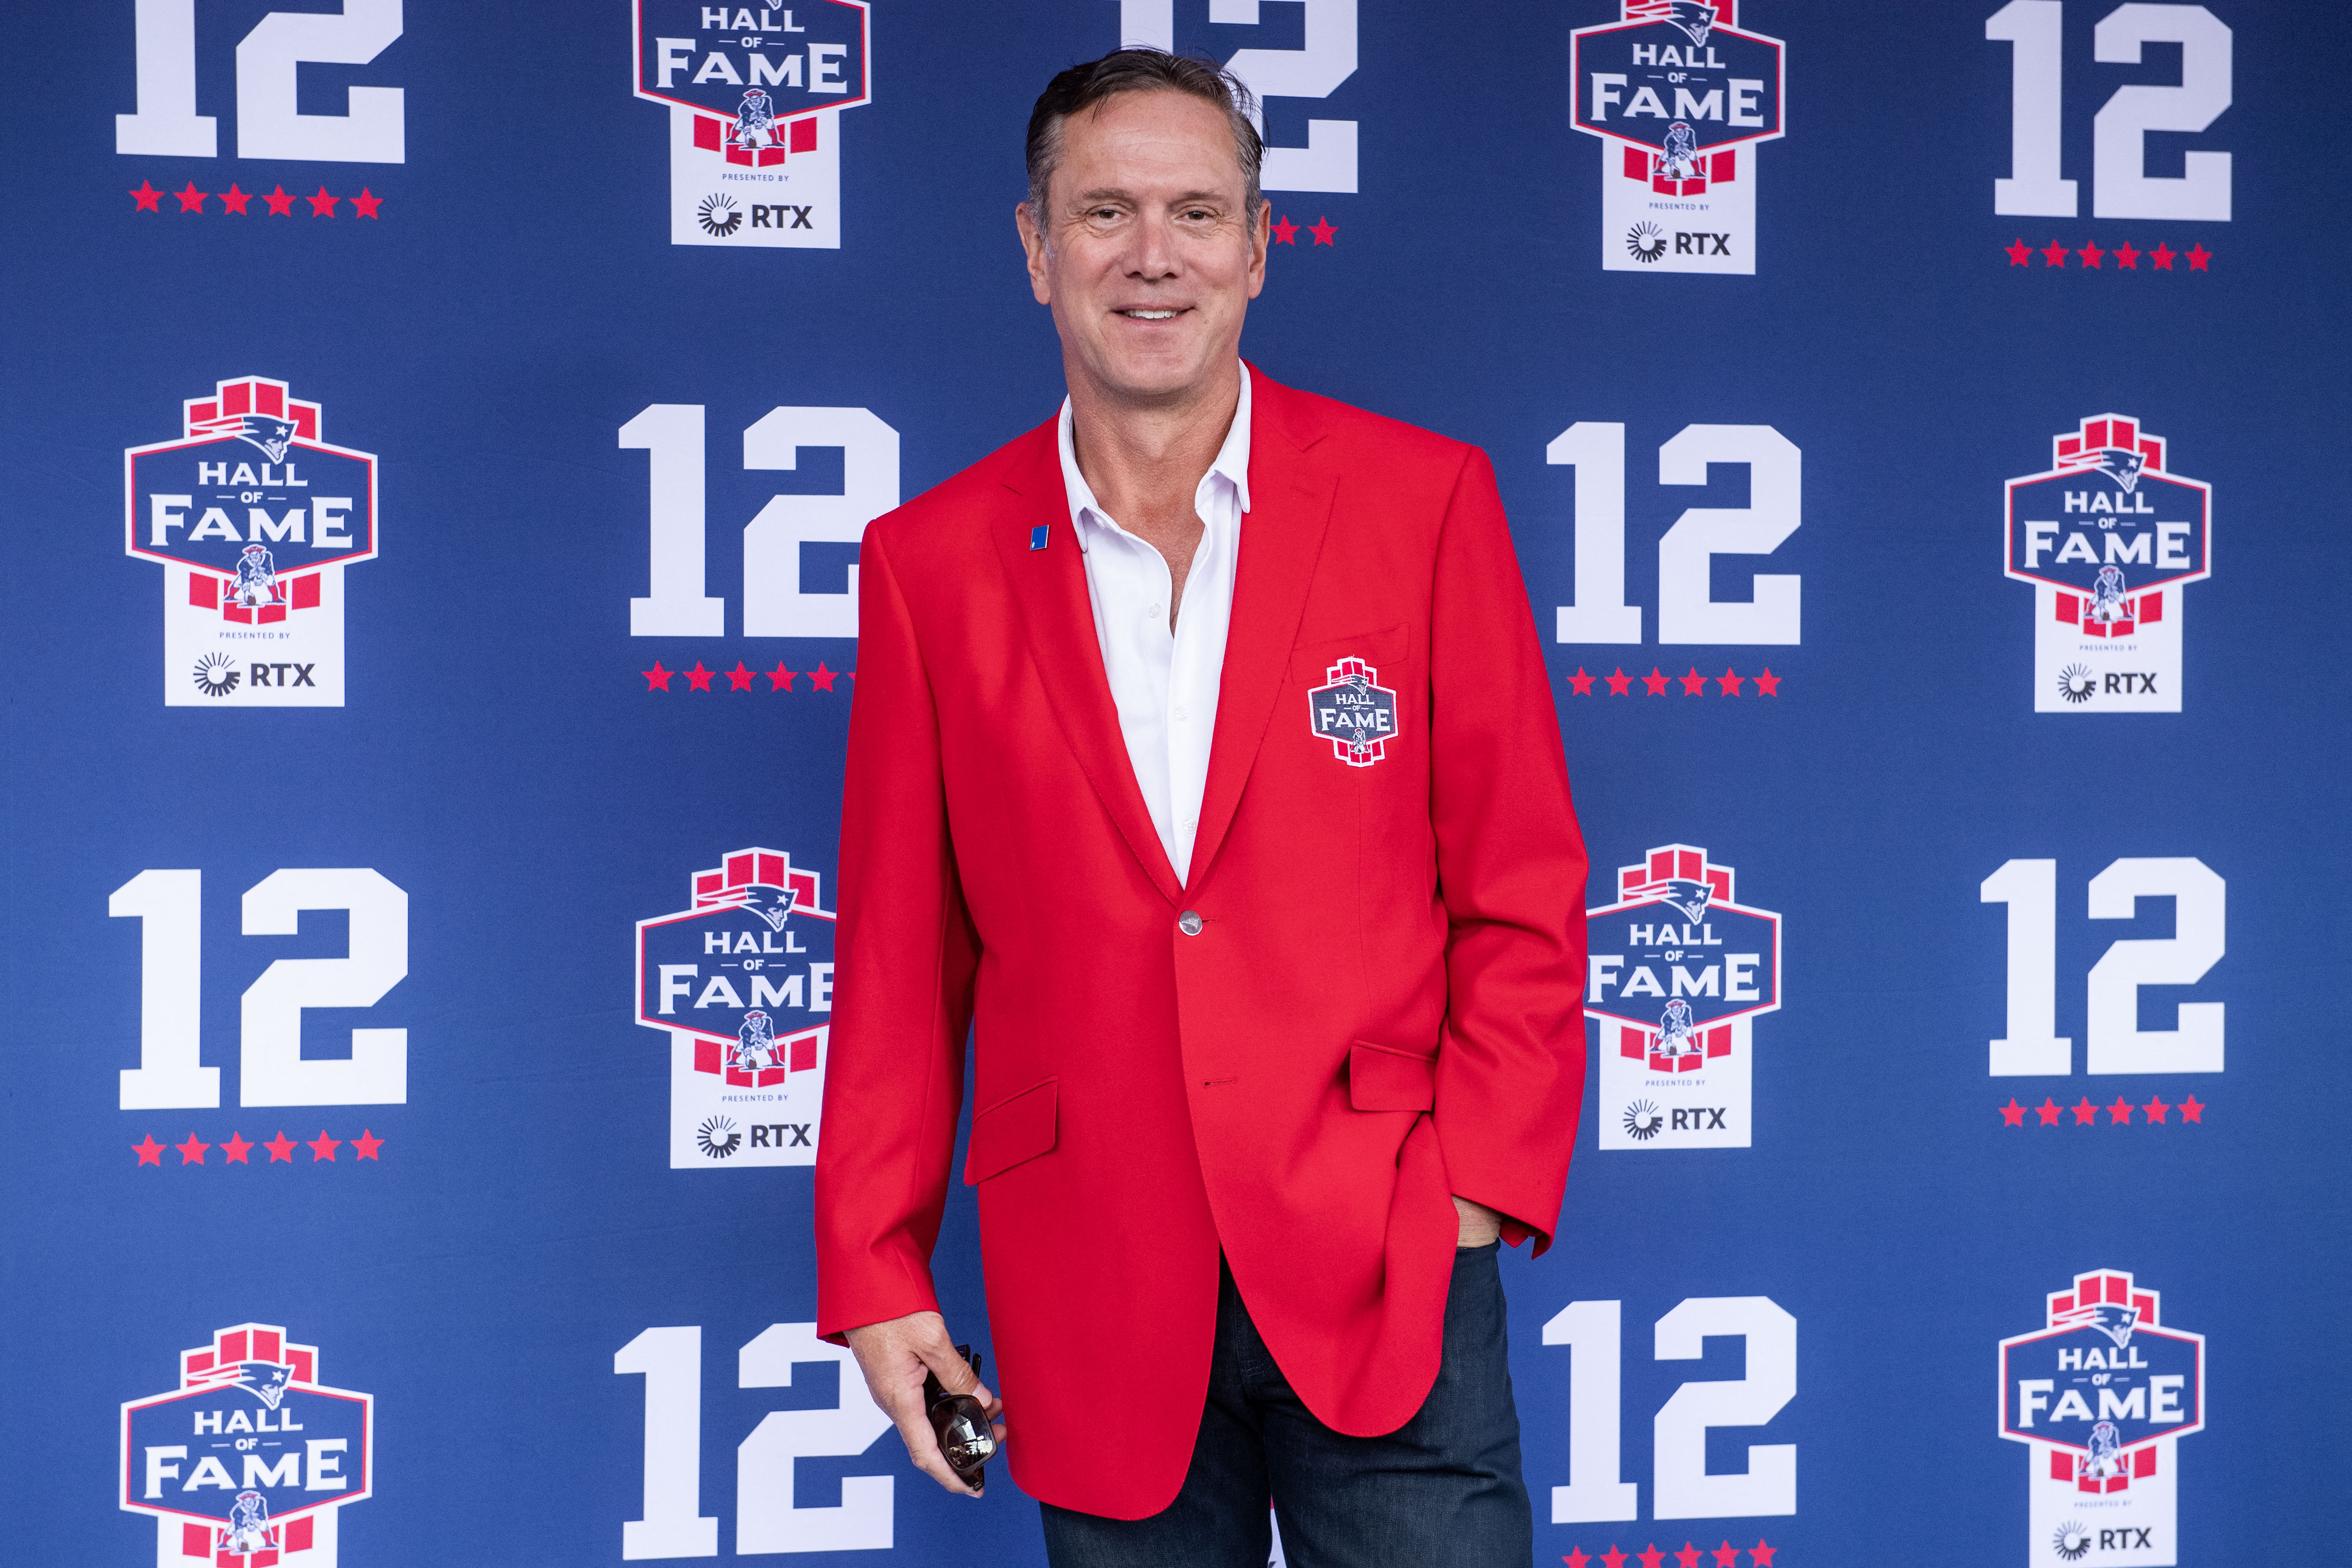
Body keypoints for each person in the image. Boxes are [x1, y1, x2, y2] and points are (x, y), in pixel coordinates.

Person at [813, 47, 1589, 1567]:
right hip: (1092, 1271)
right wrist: (879, 1265)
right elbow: (904, 960)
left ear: (1257, 244)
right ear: (1036, 250)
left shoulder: (1424, 502)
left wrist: (1476, 1189)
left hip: (1384, 1253)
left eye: (1194, 211)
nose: (1152, 255)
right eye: (1103, 211)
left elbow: (1521, 879)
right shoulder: (929, 564)